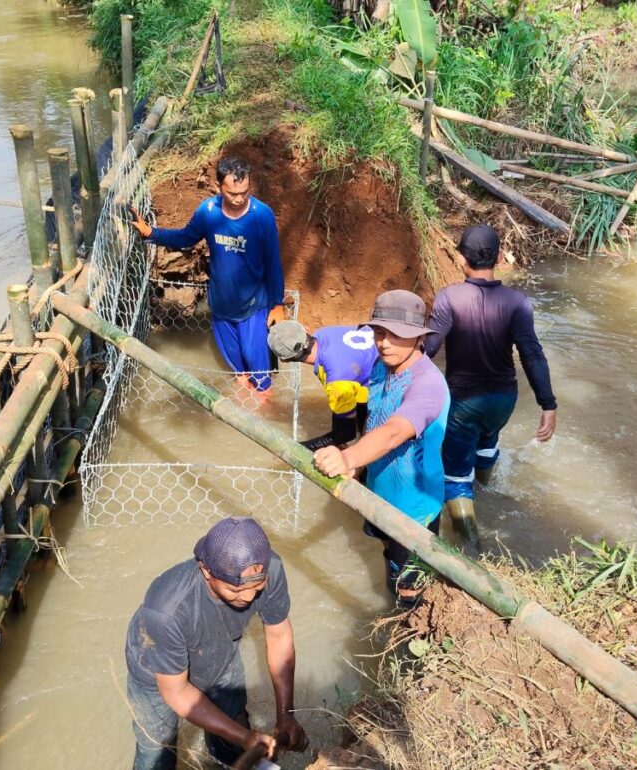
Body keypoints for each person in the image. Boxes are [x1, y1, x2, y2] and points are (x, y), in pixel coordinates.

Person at [124, 517, 308, 769]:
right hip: (155, 668)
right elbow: (176, 692)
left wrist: (285, 715)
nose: (248, 596)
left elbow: (279, 636)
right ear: (206, 571)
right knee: (157, 749)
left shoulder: (271, 568)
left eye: (258, 587)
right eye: (234, 590)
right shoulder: (165, 611)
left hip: (220, 649)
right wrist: (245, 737)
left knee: (233, 729)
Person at [313, 291, 449, 606]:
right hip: (380, 493)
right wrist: (358, 466)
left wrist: (347, 456)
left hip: (413, 511)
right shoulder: (379, 367)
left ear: (418, 338)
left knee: (410, 589)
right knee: (388, 556)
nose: (383, 342)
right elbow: (375, 421)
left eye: (395, 334)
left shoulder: (427, 384)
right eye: (379, 332)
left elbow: (393, 432)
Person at [424, 224, 557, 545]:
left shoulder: (450, 298)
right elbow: (532, 355)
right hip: (503, 399)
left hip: (463, 403)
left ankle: (470, 547)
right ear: (498, 257)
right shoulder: (517, 303)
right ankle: (486, 492)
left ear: (460, 259)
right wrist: (548, 404)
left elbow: (428, 348)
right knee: (487, 444)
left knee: (454, 477)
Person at [130, 156, 285, 392]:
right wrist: (151, 232)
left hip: (253, 308)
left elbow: (273, 263)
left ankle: (263, 415)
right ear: (219, 186)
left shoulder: (262, 216)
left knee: (261, 381)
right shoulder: (208, 212)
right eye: (233, 193)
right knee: (240, 375)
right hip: (221, 308)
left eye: (244, 192)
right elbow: (185, 237)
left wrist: (277, 305)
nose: (240, 198)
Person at [267, 320, 378, 451]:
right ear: (306, 331)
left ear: (284, 360)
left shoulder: (336, 379)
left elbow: (346, 435)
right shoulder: (324, 333)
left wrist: (293, 449)